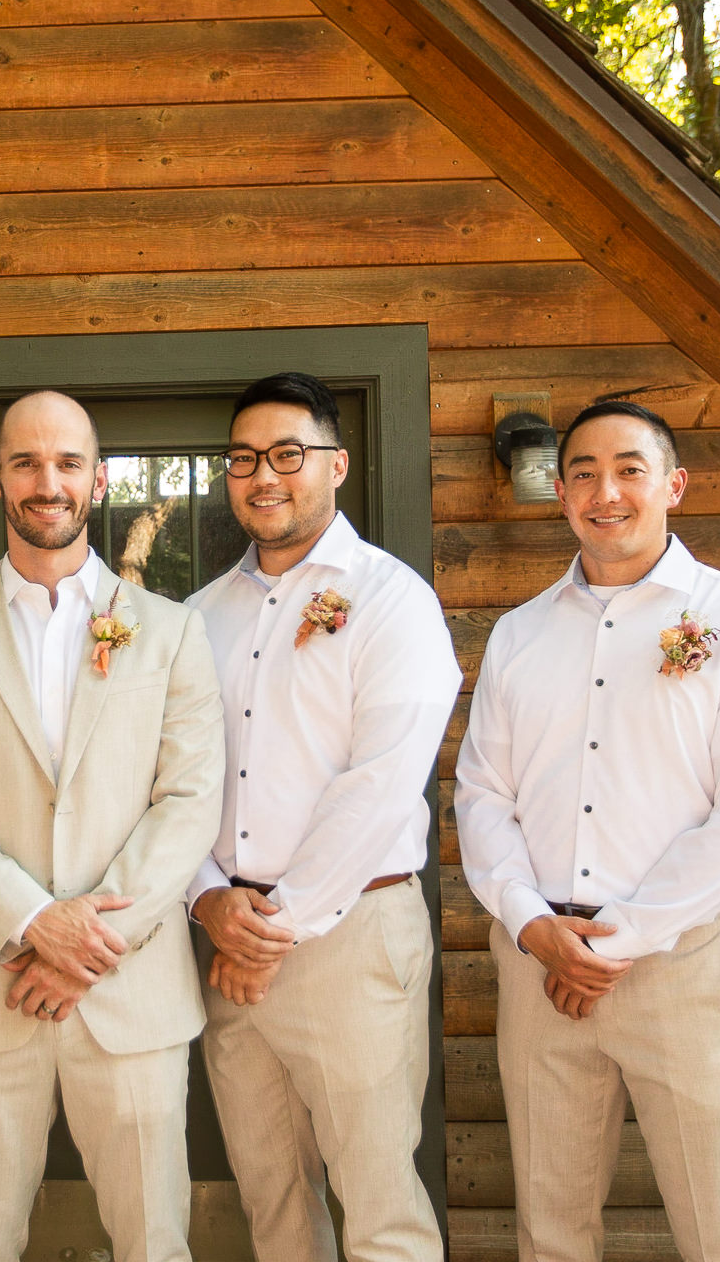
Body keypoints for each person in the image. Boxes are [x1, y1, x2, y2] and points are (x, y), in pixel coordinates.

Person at [454, 401, 720, 1262]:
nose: (604, 491)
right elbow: (482, 790)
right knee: (550, 1222)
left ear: (673, 485)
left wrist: (620, 938)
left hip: (679, 959)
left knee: (717, 1222)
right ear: (563, 493)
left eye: (629, 470)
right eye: (582, 473)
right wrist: (532, 922)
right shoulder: (519, 633)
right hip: (541, 960)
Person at [0, 390, 224, 1262]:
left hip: (131, 990)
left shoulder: (173, 633)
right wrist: (35, 924)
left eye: (68, 462)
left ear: (98, 480)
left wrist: (87, 942)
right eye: (27, 463)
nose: (49, 481)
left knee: (155, 1242)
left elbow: (188, 800)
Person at [184, 372, 456, 1261]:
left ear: (335, 464)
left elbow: (380, 782)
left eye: (288, 454)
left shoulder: (392, 599)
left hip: (349, 937)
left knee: (379, 1207)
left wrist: (276, 926)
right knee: (272, 1203)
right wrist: (208, 902)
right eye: (244, 459)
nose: (265, 475)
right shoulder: (198, 617)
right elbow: (171, 780)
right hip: (227, 939)